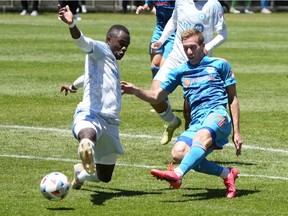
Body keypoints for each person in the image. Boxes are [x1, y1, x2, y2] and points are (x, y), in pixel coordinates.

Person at [121, 28, 243, 198]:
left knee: (201, 137)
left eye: (193, 47)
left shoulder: (220, 64)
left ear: (203, 46)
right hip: (198, 121)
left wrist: (237, 132)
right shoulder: (180, 71)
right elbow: (156, 97)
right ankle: (226, 174)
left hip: (217, 116)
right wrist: (135, 91)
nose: (189, 52)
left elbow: (233, 98)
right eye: (185, 48)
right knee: (179, 153)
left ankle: (177, 175)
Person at [58, 4, 130, 189]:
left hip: (111, 121)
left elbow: (88, 76)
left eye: (126, 46)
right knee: (88, 134)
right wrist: (72, 24)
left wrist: (73, 85)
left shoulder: (111, 61)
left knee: (104, 176)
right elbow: (82, 42)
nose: (123, 49)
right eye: (121, 44)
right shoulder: (100, 49)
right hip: (92, 113)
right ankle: (86, 145)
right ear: (109, 40)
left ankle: (80, 175)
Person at [148, 0, 227, 145]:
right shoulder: (181, 1)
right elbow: (174, 21)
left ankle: (188, 148)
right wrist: (161, 40)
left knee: (190, 113)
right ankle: (172, 122)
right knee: (154, 96)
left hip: (198, 63)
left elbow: (223, 34)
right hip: (175, 58)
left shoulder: (213, 5)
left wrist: (207, 47)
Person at [136, 1, 175, 85]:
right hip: (159, 31)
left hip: (173, 32)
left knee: (163, 67)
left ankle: (159, 94)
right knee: (155, 66)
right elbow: (149, 5)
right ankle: (161, 97)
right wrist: (143, 8)